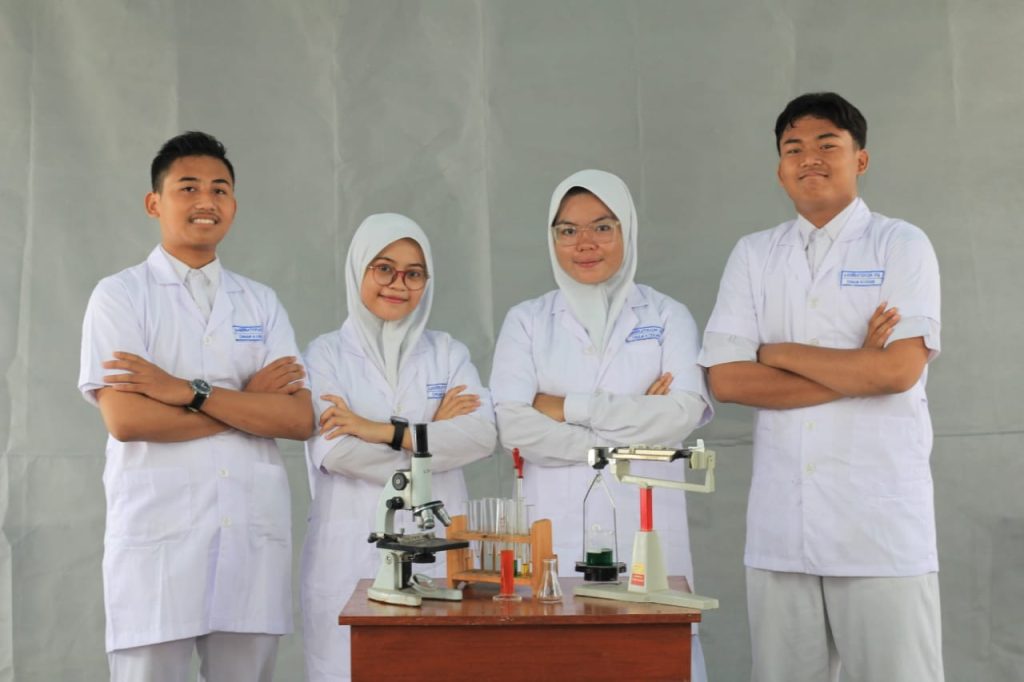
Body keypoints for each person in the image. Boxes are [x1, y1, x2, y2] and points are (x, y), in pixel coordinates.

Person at [699, 92, 943, 682]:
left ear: (861, 158)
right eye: (793, 148)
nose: (809, 158)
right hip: (783, 526)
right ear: (780, 167)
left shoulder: (900, 244)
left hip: (877, 525)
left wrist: (775, 352)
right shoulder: (755, 254)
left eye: (827, 144)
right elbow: (727, 379)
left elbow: (896, 373)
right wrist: (857, 365)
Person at [78, 131, 314, 682]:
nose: (206, 200)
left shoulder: (260, 302)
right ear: (154, 202)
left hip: (249, 541)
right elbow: (127, 420)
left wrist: (188, 391)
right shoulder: (120, 296)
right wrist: (247, 404)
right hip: (158, 541)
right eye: (188, 187)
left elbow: (298, 419)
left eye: (219, 189)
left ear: (233, 204)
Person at [490, 169, 714, 681]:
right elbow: (513, 426)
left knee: (654, 662)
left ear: (626, 230)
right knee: (557, 661)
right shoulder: (527, 321)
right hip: (556, 530)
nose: (585, 243)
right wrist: (629, 426)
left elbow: (680, 415)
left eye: (603, 227)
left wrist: (565, 406)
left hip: (646, 526)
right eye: (568, 230)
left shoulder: (667, 315)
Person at [300, 213, 496, 682]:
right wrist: (432, 432)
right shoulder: (324, 355)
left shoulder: (448, 352)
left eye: (413, 273)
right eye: (384, 268)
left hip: (439, 555)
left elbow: (481, 436)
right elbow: (338, 452)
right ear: (359, 269)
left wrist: (379, 430)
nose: (398, 284)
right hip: (350, 552)